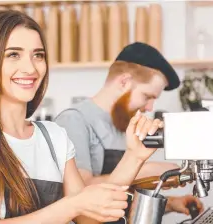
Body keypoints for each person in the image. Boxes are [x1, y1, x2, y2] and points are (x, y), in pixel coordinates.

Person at [0, 10, 167, 224]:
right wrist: (72, 204)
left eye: (38, 55)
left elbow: (87, 216)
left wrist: (134, 157)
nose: (31, 68)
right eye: (14, 54)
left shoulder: (53, 136)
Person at [55, 42, 204, 220]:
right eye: (147, 96)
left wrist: (171, 203)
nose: (149, 107)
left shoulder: (123, 123)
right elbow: (79, 198)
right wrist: (141, 171)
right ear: (124, 81)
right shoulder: (74, 121)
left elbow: (125, 198)